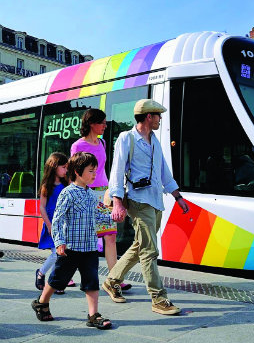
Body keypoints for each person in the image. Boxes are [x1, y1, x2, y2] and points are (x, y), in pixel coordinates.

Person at [103, 99, 189, 315]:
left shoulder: (154, 141)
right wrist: (117, 202)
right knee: (149, 250)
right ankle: (158, 298)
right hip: (138, 201)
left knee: (140, 245)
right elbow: (117, 171)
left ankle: (112, 280)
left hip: (155, 201)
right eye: (158, 115)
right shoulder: (127, 138)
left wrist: (178, 197)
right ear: (148, 117)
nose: (160, 119)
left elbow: (163, 172)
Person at [31, 152, 114, 329]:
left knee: (92, 281)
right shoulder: (67, 193)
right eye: (91, 171)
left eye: (95, 171)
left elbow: (99, 216)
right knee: (58, 279)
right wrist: (59, 241)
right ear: (77, 171)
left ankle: (93, 315)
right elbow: (58, 219)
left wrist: (113, 217)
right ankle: (42, 302)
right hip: (70, 248)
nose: (94, 175)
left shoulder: (92, 195)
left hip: (90, 247)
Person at [70, 108, 131, 292]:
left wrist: (112, 191)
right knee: (85, 238)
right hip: (87, 194)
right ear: (91, 123)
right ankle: (71, 274)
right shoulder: (77, 146)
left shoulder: (103, 142)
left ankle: (114, 279)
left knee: (110, 236)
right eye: (102, 122)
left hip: (105, 193)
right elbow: (74, 175)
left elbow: (104, 169)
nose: (105, 125)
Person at [35, 152, 69, 294]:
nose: (66, 170)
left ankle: (52, 281)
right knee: (56, 254)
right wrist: (49, 225)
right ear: (54, 167)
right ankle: (42, 274)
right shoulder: (46, 186)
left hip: (63, 225)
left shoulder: (66, 184)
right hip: (51, 224)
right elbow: (42, 207)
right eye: (63, 167)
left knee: (62, 254)